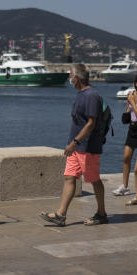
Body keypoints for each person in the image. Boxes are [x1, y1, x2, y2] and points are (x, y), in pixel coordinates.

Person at [40, 62, 108, 226]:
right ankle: (60, 215)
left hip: (87, 147)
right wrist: (73, 144)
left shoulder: (92, 95)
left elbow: (91, 123)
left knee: (93, 180)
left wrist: (75, 142)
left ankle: (101, 213)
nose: (69, 78)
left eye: (70, 75)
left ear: (76, 78)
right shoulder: (81, 94)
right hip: (76, 147)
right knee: (69, 177)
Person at [112, 74, 137, 197]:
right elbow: (128, 114)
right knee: (126, 157)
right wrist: (128, 104)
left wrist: (133, 103)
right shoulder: (131, 95)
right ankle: (124, 186)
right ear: (135, 83)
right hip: (133, 129)